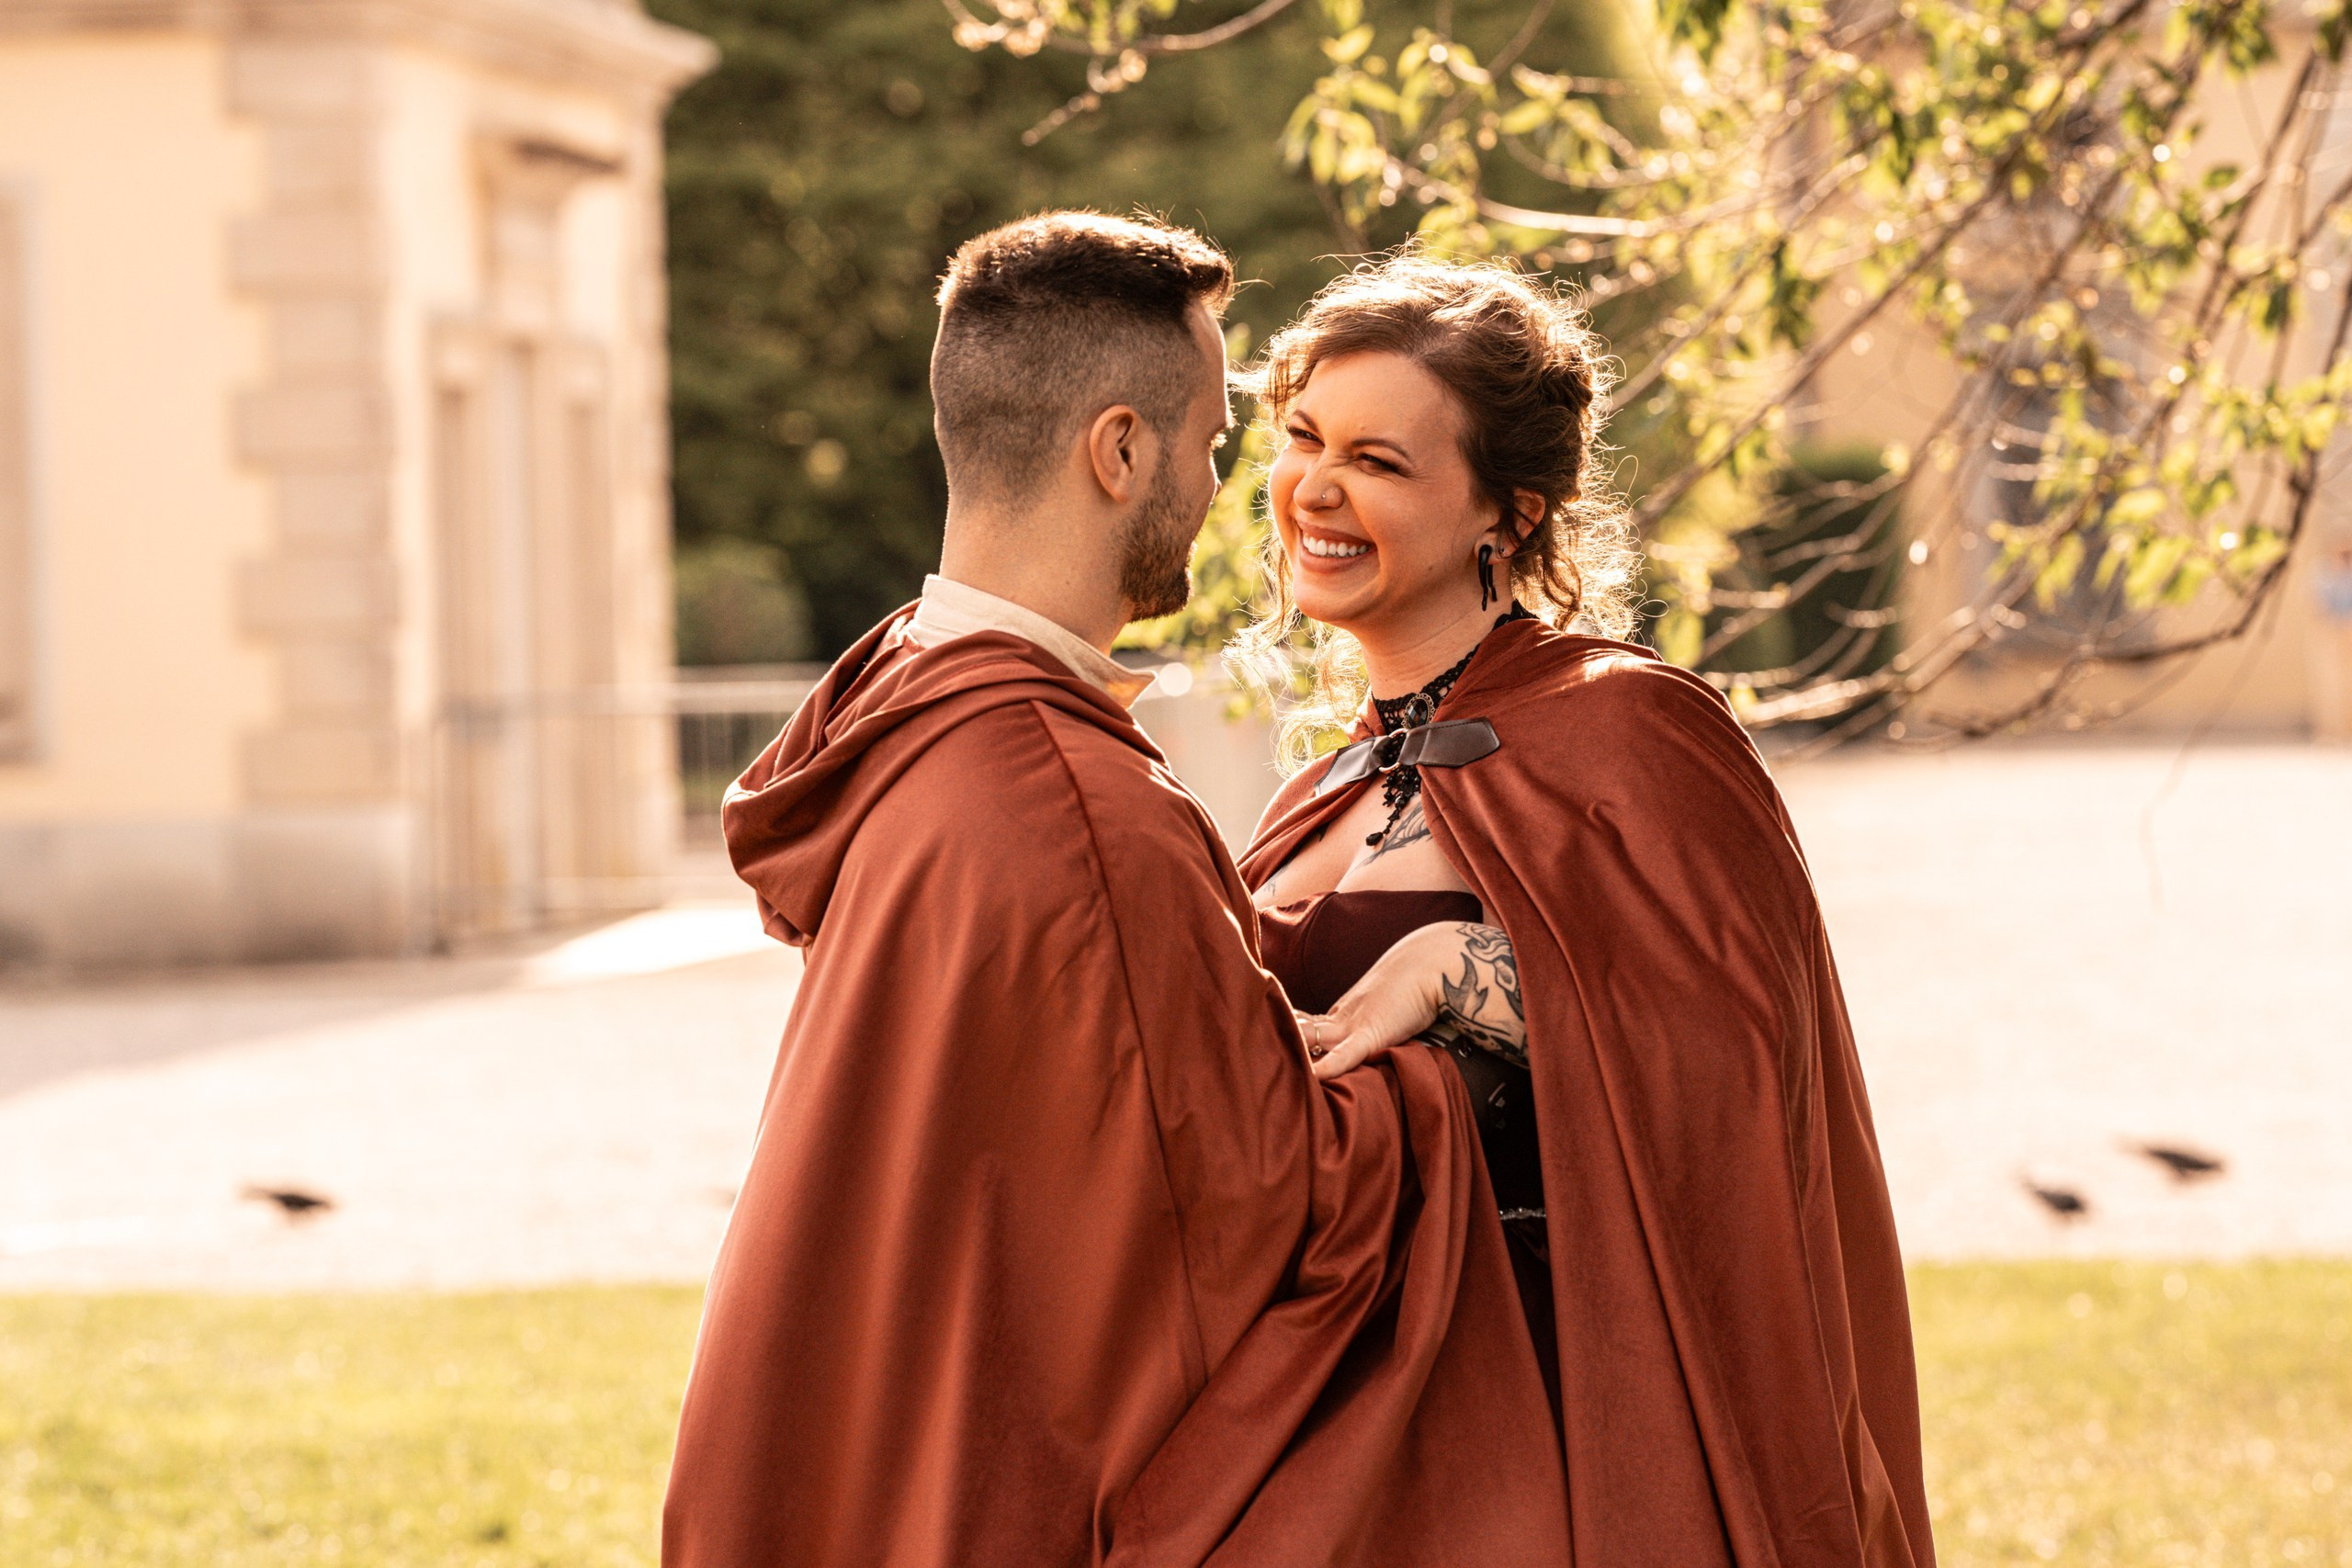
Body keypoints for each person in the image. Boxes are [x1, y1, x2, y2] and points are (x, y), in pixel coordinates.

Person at [662, 214, 1573, 1568]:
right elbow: (1273, 1215)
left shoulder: (909, 727)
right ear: (1122, 451)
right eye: (1216, 443)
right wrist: (1448, 1057)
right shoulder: (1074, 806)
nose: (1234, 490)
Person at [1232, 255, 1939, 1568]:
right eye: (1302, 439)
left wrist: (1464, 967)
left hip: (1560, 1448)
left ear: (1510, 511)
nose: (1315, 489)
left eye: (1380, 461)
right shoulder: (1311, 789)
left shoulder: (1632, 728)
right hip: (1330, 1446)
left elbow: (1736, 1069)